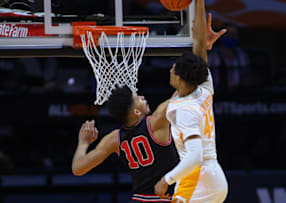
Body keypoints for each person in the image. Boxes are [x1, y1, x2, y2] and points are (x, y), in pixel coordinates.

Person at [71, 2, 226, 203]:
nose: (143, 97)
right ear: (136, 112)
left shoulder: (114, 139)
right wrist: (201, 42)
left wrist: (83, 143)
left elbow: (78, 168)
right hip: (169, 194)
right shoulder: (159, 118)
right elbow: (192, 78)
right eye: (138, 98)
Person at [154, 0, 228, 202]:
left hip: (198, 176)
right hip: (211, 175)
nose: (170, 70)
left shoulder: (185, 109)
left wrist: (166, 179)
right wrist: (199, 3)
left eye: (174, 68)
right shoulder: (204, 86)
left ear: (180, 78)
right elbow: (198, 46)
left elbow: (194, 156)